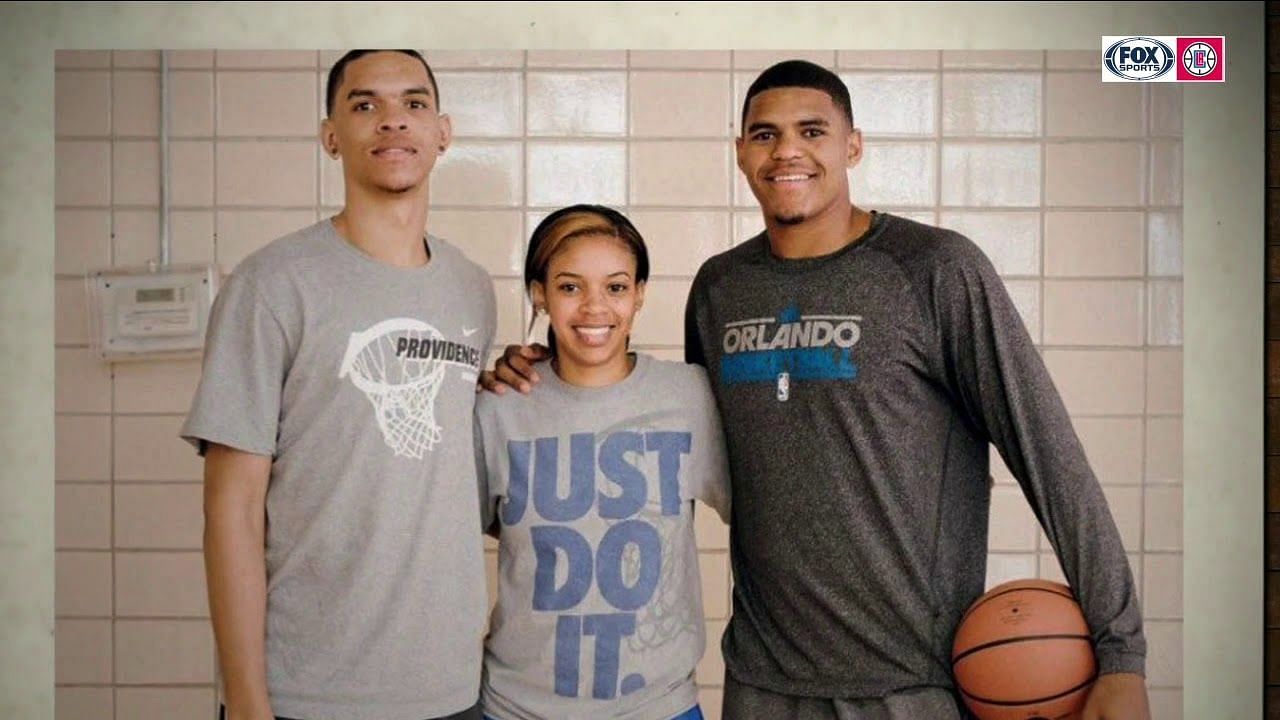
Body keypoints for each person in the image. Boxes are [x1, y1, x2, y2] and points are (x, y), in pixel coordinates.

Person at [482, 60, 1151, 719]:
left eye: (812, 130)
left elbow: (1049, 455)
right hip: (759, 682)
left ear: (853, 146)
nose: (788, 151)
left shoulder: (934, 270)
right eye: (765, 134)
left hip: (910, 684)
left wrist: (1121, 652)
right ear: (741, 153)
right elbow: (664, 462)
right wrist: (538, 369)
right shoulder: (721, 289)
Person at [182, 49, 496, 720]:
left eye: (413, 104)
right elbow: (231, 511)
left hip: (450, 686)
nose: (392, 122)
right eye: (365, 105)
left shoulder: (472, 288)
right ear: (331, 136)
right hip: (308, 691)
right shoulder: (272, 285)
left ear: (443, 131)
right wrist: (245, 700)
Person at [474, 205, 730, 720]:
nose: (595, 307)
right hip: (516, 708)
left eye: (615, 287)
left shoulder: (688, 396)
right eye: (570, 287)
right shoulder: (499, 405)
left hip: (659, 708)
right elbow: (497, 529)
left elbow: (760, 518)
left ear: (639, 295)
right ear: (538, 293)